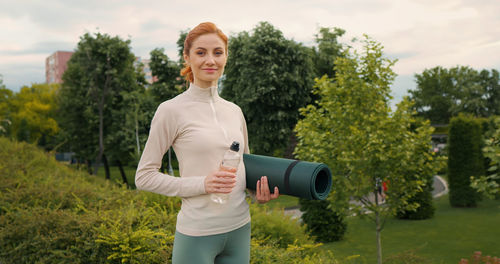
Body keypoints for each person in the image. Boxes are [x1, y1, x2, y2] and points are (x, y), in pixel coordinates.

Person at [135, 22, 279, 264]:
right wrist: (203, 184)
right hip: (197, 234)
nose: (210, 60)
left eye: (218, 52)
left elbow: (243, 167)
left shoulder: (235, 111)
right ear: (187, 57)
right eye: (201, 53)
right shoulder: (171, 110)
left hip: (240, 229)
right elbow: (144, 177)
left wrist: (257, 194)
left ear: (226, 56)